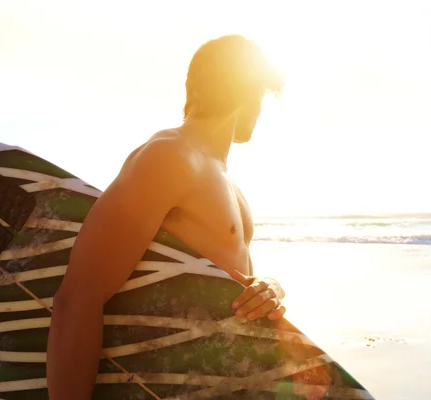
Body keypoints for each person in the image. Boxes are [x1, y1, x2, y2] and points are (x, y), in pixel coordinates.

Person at [46, 34, 286, 400]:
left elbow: (236, 285)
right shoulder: (169, 158)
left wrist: (268, 288)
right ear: (247, 93)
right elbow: (78, 299)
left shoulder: (224, 181)